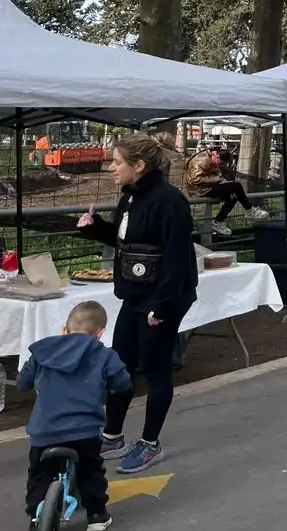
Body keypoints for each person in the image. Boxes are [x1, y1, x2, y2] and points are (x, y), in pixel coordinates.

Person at [76, 134, 198, 474]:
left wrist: (161, 305)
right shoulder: (130, 198)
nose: (111, 168)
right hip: (135, 295)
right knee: (120, 364)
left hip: (163, 298)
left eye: (117, 162)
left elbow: (176, 257)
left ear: (139, 166)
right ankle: (112, 436)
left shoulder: (170, 202)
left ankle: (149, 443)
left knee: (156, 370)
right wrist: (94, 229)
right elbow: (126, 241)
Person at [19, 300, 130, 531]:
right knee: (90, 470)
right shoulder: (103, 354)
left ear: (64, 330)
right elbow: (122, 383)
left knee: (39, 474)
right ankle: (97, 516)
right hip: (84, 429)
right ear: (100, 333)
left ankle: (35, 517)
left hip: (45, 430)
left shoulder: (41, 352)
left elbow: (22, 383)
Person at [184, 144, 267, 236]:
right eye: (222, 164)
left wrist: (222, 181)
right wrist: (217, 180)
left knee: (234, 195)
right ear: (218, 157)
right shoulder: (203, 161)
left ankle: (218, 221)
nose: (222, 166)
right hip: (199, 189)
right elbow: (196, 179)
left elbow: (216, 174)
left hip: (207, 187)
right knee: (236, 186)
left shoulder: (212, 158)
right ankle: (249, 210)